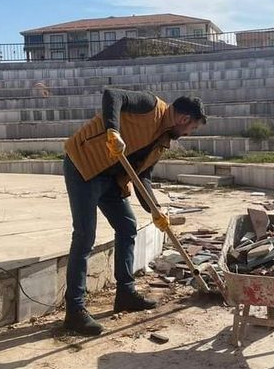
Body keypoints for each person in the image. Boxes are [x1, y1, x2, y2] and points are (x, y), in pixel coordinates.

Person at [62, 88, 207, 335]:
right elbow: (111, 95)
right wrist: (113, 131)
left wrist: (155, 210)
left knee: (127, 227)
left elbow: (142, 177)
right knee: (85, 235)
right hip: (84, 165)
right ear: (183, 119)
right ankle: (74, 311)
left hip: (111, 179)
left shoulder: (162, 140)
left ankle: (125, 293)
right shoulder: (150, 105)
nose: (187, 133)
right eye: (191, 128)